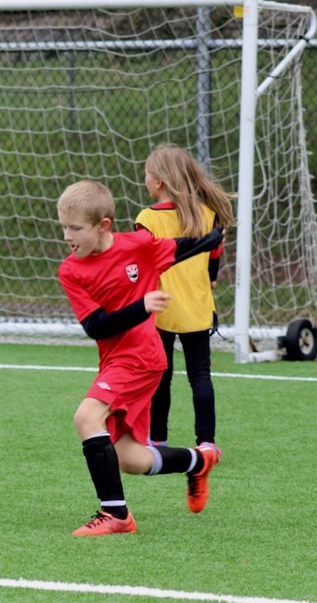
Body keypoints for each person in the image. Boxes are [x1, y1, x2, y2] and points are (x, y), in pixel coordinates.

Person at [57, 179, 223, 536]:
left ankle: (116, 514)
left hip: (143, 357)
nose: (67, 236)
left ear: (103, 226)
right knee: (131, 459)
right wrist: (142, 305)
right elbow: (97, 326)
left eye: (75, 228)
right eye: (64, 227)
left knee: (87, 417)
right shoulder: (70, 270)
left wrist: (218, 229)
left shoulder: (140, 245)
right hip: (115, 359)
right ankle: (198, 461)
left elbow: (185, 246)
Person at [135, 144, 235, 458]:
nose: (146, 180)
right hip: (197, 309)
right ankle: (206, 442)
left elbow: (143, 264)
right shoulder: (209, 215)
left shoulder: (147, 219)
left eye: (147, 175)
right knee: (200, 376)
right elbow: (213, 267)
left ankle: (157, 440)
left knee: (160, 376)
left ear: (159, 182)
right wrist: (208, 277)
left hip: (161, 310)